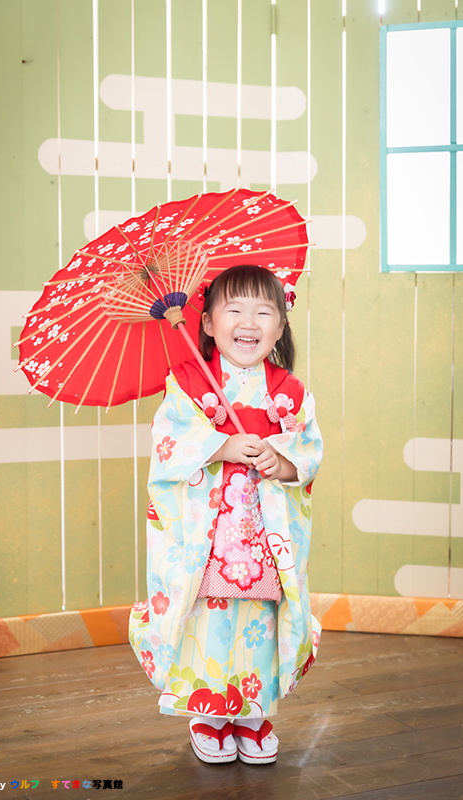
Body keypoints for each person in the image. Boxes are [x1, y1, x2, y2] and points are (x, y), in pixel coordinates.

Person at [129, 264, 323, 765]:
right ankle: (209, 713)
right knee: (209, 620)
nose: (249, 322)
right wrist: (222, 445)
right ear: (209, 323)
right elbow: (170, 442)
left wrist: (280, 460)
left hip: (263, 532)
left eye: (264, 312)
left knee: (260, 620)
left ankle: (253, 713)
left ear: (280, 327)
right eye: (234, 310)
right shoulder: (189, 383)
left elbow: (307, 452)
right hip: (209, 534)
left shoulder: (290, 392)